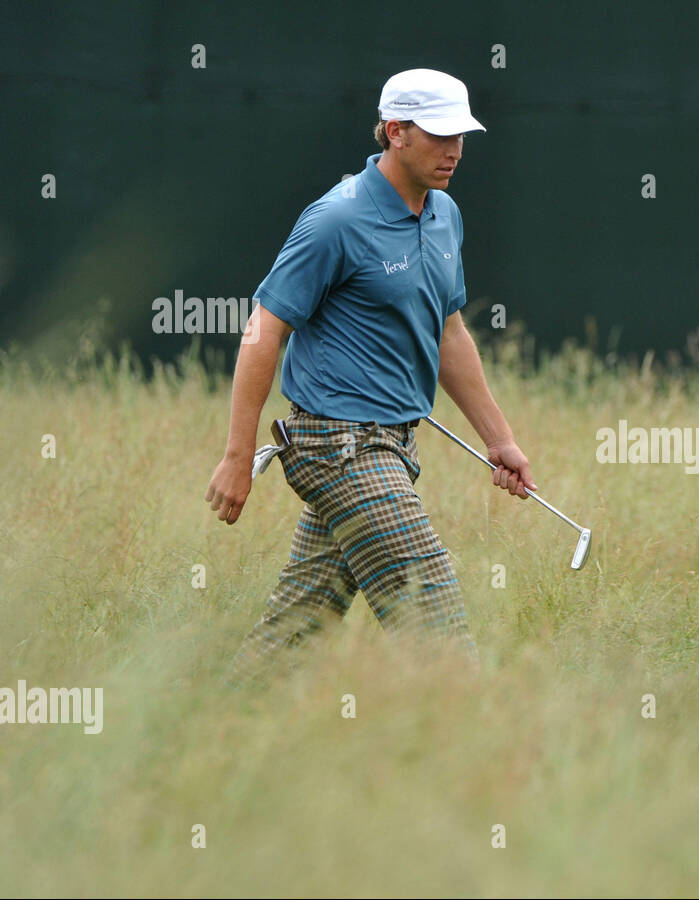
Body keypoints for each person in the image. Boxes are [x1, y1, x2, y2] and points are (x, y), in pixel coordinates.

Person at [204, 68, 535, 686]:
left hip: (394, 443)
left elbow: (449, 334)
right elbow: (262, 333)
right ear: (395, 132)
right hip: (338, 446)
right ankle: (474, 755)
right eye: (439, 135)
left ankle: (215, 726)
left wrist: (500, 438)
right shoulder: (336, 219)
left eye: (461, 135)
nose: (455, 150)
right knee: (431, 605)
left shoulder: (445, 216)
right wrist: (235, 454)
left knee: (297, 623)